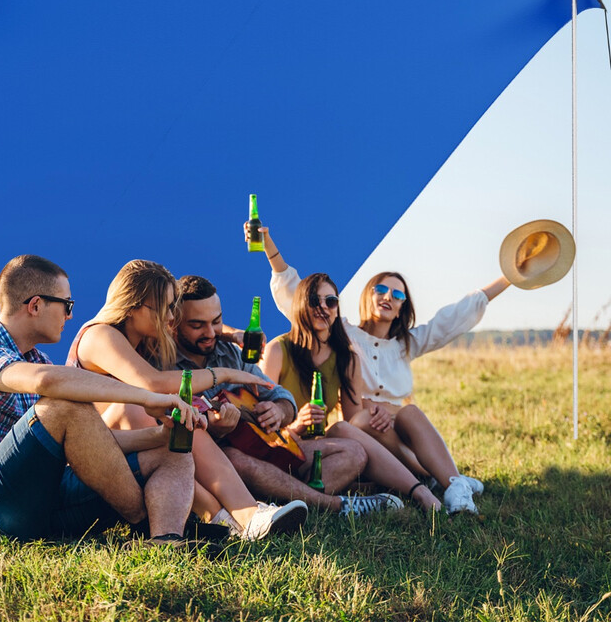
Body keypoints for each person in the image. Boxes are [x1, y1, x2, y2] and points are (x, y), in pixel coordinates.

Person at [0, 254, 201, 546]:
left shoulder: (37, 359)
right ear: (36, 305)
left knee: (172, 449)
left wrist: (158, 435)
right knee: (64, 403)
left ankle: (166, 539)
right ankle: (142, 520)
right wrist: (148, 398)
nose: (70, 316)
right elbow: (47, 382)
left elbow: (88, 442)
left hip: (33, 501)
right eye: (67, 305)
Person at [253, 224, 510, 515]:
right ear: (368, 295)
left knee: (407, 413)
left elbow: (450, 321)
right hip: (358, 427)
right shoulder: (346, 336)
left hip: (398, 432)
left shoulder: (403, 344)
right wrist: (269, 248)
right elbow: (295, 291)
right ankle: (431, 481)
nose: (389, 297)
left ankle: (449, 483)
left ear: (403, 306)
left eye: (398, 295)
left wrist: (508, 278)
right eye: (382, 289)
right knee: (354, 425)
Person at [67, 259, 308, 539]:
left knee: (179, 419)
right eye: (167, 307)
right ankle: (247, 513)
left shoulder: (142, 337)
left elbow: (192, 325)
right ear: (133, 306)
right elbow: (152, 383)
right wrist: (224, 373)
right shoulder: (100, 335)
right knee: (140, 407)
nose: (173, 316)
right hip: (84, 458)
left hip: (117, 448)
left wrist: (230, 333)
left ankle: (231, 521)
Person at [174, 274, 420, 515]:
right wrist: (217, 429)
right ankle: (334, 504)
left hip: (272, 446)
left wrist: (280, 410)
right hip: (226, 462)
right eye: (197, 325)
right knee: (234, 459)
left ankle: (280, 495)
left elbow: (279, 394)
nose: (211, 332)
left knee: (354, 452)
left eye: (216, 322)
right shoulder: (166, 364)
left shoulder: (230, 352)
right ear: (173, 322)